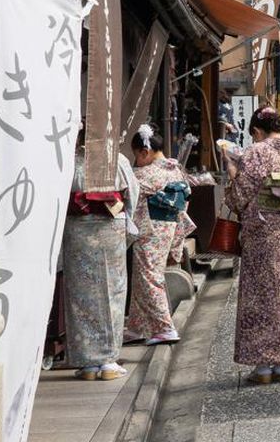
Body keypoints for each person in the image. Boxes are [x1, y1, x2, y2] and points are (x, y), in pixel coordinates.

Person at [224, 107, 280, 384]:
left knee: (259, 295)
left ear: (256, 131)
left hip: (261, 233)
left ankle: (263, 366)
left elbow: (239, 197)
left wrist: (231, 174)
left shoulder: (256, 152)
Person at [64, 146, 138, 381]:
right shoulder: (116, 158)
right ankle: (107, 361)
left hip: (77, 229)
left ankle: (88, 364)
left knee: (81, 293)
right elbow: (131, 192)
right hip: (109, 226)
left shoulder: (69, 160)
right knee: (112, 290)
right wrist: (129, 221)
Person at [125, 125, 195, 347]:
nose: (136, 161)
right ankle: (138, 326)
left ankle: (165, 328)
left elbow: (127, 190)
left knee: (148, 277)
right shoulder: (174, 168)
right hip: (168, 227)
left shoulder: (146, 173)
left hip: (151, 229)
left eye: (137, 155)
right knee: (143, 275)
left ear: (144, 152)